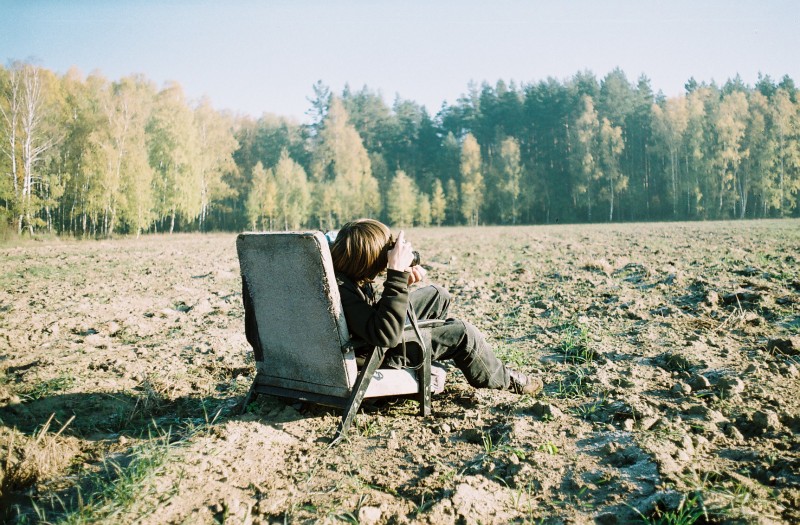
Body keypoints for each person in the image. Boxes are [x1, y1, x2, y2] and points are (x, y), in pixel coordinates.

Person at [329, 218, 543, 396]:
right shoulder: (343, 292)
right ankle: (506, 381)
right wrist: (395, 278)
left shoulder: (337, 278)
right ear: (367, 260)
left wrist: (401, 285)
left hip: (369, 340)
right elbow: (385, 335)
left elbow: (367, 319)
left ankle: (424, 357)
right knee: (461, 333)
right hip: (376, 358)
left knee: (437, 296)